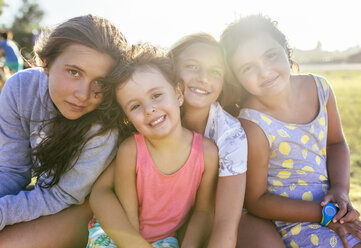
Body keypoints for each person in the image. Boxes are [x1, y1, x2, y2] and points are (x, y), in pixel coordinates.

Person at [220, 14, 361, 248]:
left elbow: (335, 144)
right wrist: (324, 215)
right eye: (247, 67)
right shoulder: (253, 123)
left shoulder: (320, 88)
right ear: (237, 77)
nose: (264, 71)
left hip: (334, 208)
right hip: (294, 222)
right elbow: (257, 200)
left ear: (287, 50)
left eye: (270, 55)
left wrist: (341, 190)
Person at [0, 14, 128, 247]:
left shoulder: (104, 128)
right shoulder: (19, 89)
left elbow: (61, 195)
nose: (83, 94)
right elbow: (13, 170)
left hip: (87, 206)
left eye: (101, 82)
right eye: (74, 72)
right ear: (46, 62)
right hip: (45, 194)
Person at [87, 44, 219, 248]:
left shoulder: (207, 153)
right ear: (128, 118)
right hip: (119, 234)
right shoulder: (131, 150)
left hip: (164, 239)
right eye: (135, 106)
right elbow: (128, 215)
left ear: (178, 94)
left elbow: (204, 210)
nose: (149, 109)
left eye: (156, 95)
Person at [167, 33, 249, 247]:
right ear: (171, 68)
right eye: (193, 66)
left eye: (215, 72)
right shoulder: (154, 116)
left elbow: (226, 223)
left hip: (211, 216)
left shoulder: (230, 134)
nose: (203, 78)